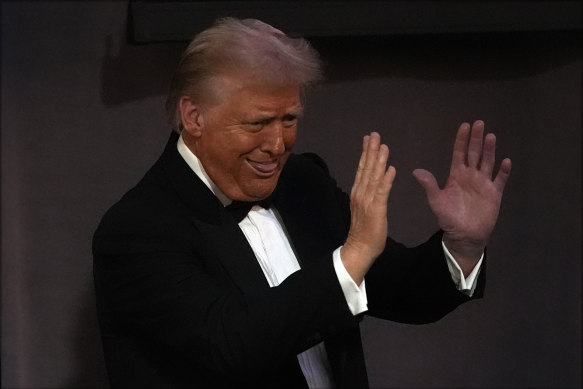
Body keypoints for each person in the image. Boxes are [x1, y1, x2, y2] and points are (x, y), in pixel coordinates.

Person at [93, 17, 511, 388]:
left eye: (289, 119)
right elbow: (232, 347)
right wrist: (354, 254)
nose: (277, 145)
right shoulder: (137, 231)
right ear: (194, 117)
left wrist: (462, 244)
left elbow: (399, 288)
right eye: (258, 123)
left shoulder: (303, 183)